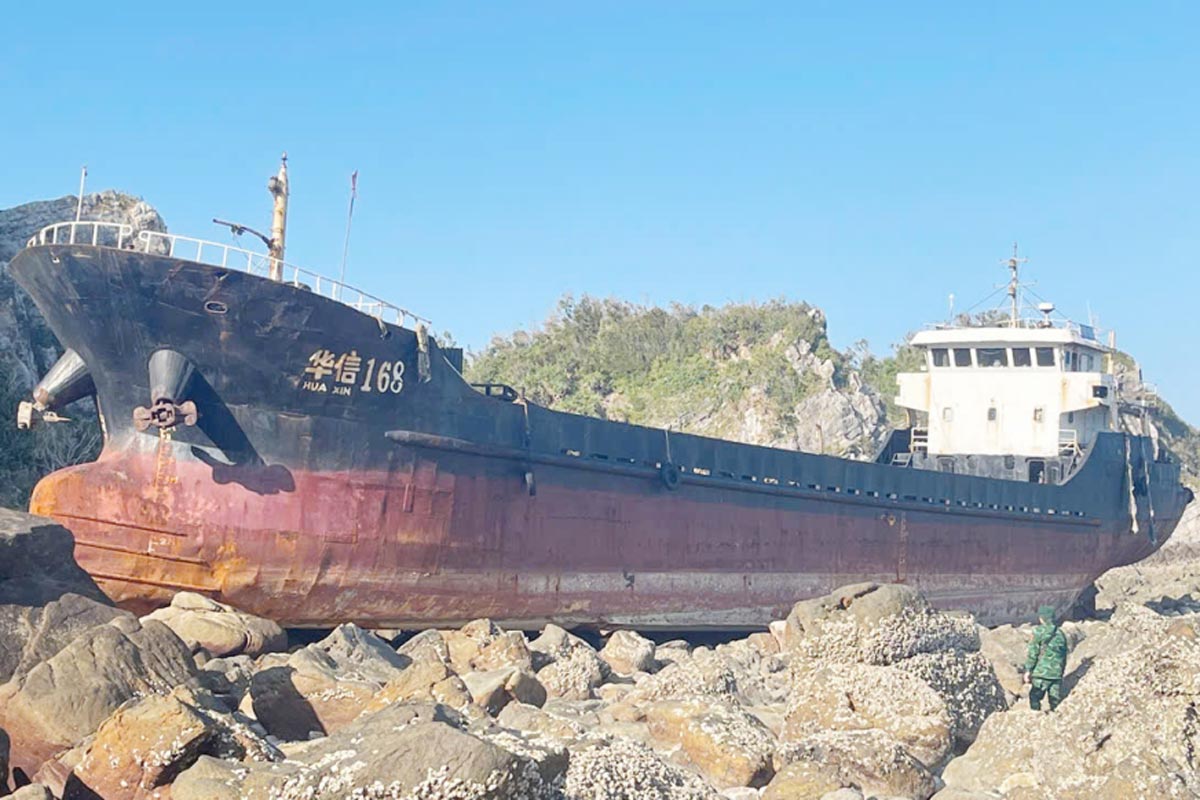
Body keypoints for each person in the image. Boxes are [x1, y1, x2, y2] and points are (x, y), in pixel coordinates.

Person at [1022, 604, 1068, 711]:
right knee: (1055, 702)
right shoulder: (1061, 634)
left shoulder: (1038, 632)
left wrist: (1028, 670)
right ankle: (1054, 720)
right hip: (1056, 674)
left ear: (1042, 618)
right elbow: (1064, 655)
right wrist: (1060, 672)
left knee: (1034, 697)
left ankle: (1036, 718)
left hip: (1041, 673)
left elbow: (1033, 653)